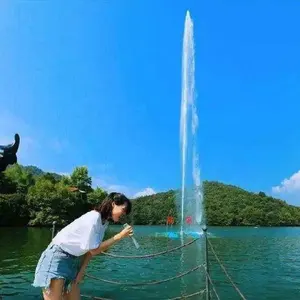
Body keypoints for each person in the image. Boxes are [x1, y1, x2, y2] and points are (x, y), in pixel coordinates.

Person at [32, 192, 133, 300]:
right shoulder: (94, 217)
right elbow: (94, 250)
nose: (124, 213)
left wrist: (81, 271)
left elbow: (90, 251)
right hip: (57, 258)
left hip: (73, 261)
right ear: (113, 204)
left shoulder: (103, 223)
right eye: (123, 209)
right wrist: (120, 236)